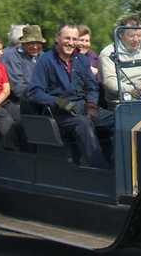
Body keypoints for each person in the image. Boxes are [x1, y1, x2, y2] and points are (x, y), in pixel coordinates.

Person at [27, 24, 110, 168]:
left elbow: (92, 87)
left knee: (119, 119)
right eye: (67, 38)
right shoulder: (46, 60)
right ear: (57, 38)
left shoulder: (82, 60)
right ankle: (100, 170)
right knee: (83, 124)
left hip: (83, 106)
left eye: (74, 39)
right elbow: (35, 92)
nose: (71, 43)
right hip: (59, 112)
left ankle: (122, 165)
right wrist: (58, 102)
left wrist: (91, 105)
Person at [3, 24, 46, 103]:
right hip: (21, 102)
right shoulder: (11, 56)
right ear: (23, 44)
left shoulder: (42, 56)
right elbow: (18, 89)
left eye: (38, 43)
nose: (35, 47)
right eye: (31, 43)